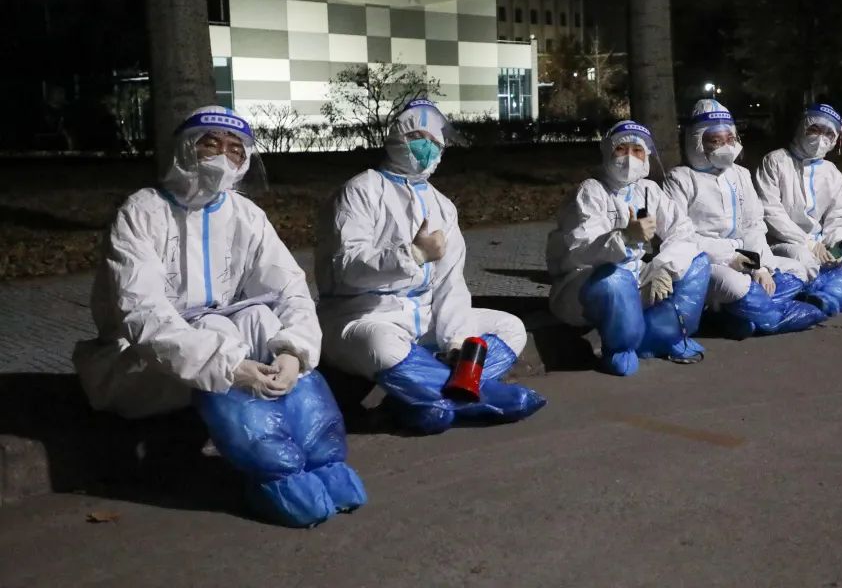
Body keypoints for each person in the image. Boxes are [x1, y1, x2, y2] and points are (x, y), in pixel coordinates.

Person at [74, 105, 365, 528]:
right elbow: (143, 314)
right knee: (217, 329)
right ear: (184, 148)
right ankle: (275, 475)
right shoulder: (141, 212)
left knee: (262, 320)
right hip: (140, 365)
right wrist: (230, 365)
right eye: (210, 144)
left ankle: (325, 460)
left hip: (216, 347)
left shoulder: (244, 214)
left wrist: (294, 353)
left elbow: (289, 288)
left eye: (234, 149)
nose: (222, 157)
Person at [316, 98, 545, 435]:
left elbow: (450, 283)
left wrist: (455, 342)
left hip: (423, 319)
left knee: (510, 328)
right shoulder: (361, 191)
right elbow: (346, 268)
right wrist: (411, 255)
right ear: (396, 138)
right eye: (417, 137)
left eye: (435, 141)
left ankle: (422, 401)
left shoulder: (443, 206)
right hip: (364, 317)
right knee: (384, 346)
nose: (427, 147)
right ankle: (480, 397)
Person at [546, 120, 710, 376]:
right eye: (621, 149)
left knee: (698, 263)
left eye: (637, 150)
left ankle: (661, 336)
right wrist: (624, 237)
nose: (630, 158)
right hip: (586, 283)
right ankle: (619, 348)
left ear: (647, 157)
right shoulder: (591, 191)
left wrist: (665, 268)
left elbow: (683, 231)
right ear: (607, 152)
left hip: (634, 276)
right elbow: (581, 249)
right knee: (614, 279)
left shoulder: (648, 191)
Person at [665, 101, 826, 336]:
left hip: (747, 258)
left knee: (797, 271)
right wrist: (733, 257)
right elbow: (681, 238)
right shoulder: (680, 179)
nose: (726, 146)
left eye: (730, 139)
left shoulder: (740, 174)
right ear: (697, 142)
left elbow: (753, 225)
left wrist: (761, 266)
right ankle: (764, 316)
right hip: (707, 261)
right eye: (715, 141)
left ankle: (735, 316)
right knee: (736, 285)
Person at [754, 103, 842, 311]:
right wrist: (809, 244)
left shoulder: (831, 172)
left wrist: (836, 245)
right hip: (786, 243)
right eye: (814, 129)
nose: (820, 138)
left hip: (823, 245)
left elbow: (839, 217)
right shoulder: (775, 161)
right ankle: (824, 295)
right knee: (803, 258)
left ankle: (826, 293)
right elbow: (770, 212)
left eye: (828, 134)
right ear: (801, 128)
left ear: (835, 140)